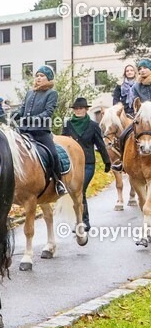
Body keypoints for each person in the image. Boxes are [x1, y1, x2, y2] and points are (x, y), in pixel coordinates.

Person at [13, 65, 67, 196]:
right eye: (37, 75)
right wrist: (14, 115)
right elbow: (22, 109)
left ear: (48, 79)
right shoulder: (29, 93)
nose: (38, 78)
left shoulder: (52, 93)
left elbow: (48, 112)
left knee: (53, 154)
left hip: (41, 131)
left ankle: (59, 182)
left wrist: (30, 119)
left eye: (42, 76)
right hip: (24, 130)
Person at [62, 97, 111, 230]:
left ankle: (84, 221)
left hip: (88, 163)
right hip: (73, 163)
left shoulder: (93, 126)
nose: (78, 111)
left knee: (80, 189)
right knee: (74, 192)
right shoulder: (67, 124)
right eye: (76, 109)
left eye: (81, 108)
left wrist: (107, 161)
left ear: (86, 110)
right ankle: (79, 219)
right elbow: (62, 143)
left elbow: (100, 144)